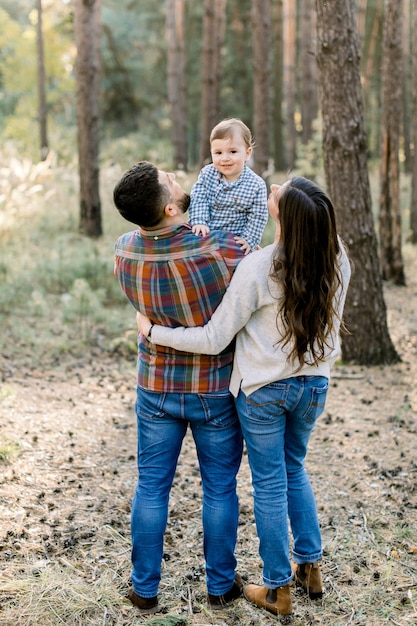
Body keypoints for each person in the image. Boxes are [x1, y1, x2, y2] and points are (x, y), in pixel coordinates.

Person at [137, 176, 352, 622]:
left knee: (270, 482)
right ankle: (309, 568)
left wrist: (155, 331)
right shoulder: (338, 259)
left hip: (264, 392)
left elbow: (215, 338)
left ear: (281, 215)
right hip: (314, 385)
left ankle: (277, 588)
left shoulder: (259, 268)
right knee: (295, 468)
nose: (271, 186)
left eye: (279, 190)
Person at [113, 161, 247, 614]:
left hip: (155, 385)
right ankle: (220, 587)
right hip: (212, 387)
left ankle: (143, 590)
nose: (177, 177)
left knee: (151, 487)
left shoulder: (123, 252)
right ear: (171, 207)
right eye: (170, 180)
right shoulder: (219, 250)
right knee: (219, 488)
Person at [189, 118, 268, 254]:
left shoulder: (256, 184)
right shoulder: (207, 174)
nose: (225, 158)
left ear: (247, 154)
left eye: (232, 152)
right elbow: (198, 198)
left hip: (236, 242)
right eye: (218, 153)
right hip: (206, 236)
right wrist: (199, 221)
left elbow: (258, 216)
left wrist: (249, 239)